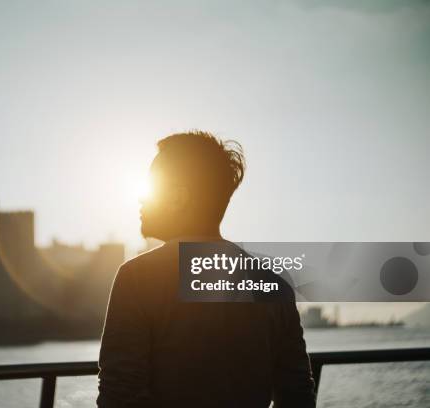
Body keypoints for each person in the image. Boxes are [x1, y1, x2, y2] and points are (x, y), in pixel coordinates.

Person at [97, 131, 316, 407]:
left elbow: (120, 397)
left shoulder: (137, 279)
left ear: (179, 198)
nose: (141, 198)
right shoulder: (273, 284)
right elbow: (297, 394)